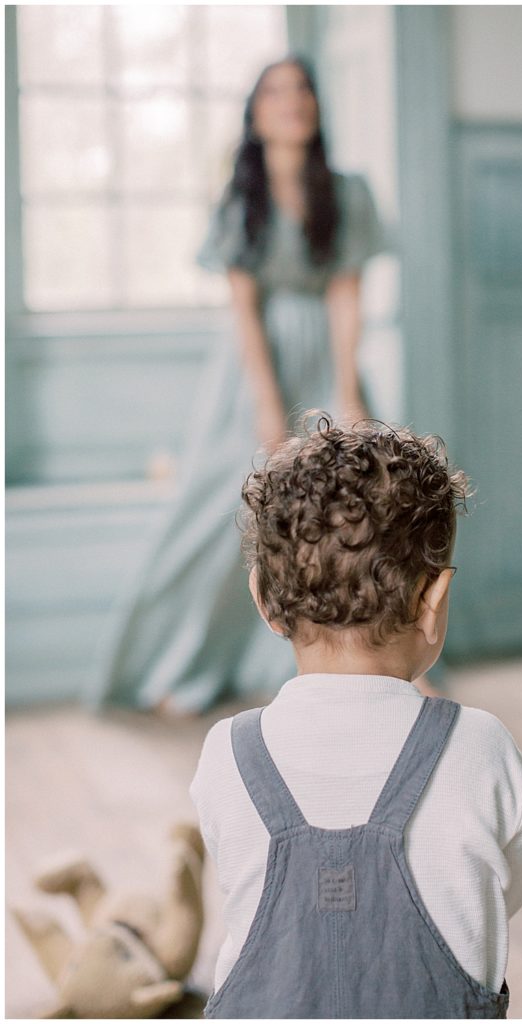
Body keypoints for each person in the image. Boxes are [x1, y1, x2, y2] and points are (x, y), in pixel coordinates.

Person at [190, 415, 522, 1019]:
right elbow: (507, 893)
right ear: (434, 603)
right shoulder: (482, 746)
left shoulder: (227, 751)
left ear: (265, 600)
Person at [89, 57, 387, 715]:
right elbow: (244, 308)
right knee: (224, 517)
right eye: (276, 92)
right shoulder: (239, 199)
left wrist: (349, 390)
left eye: (304, 89)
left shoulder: (348, 192)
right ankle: (177, 664)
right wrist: (267, 401)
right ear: (255, 113)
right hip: (252, 368)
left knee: (358, 510)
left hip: (327, 359)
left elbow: (345, 296)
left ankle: (375, 665)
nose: (293, 102)